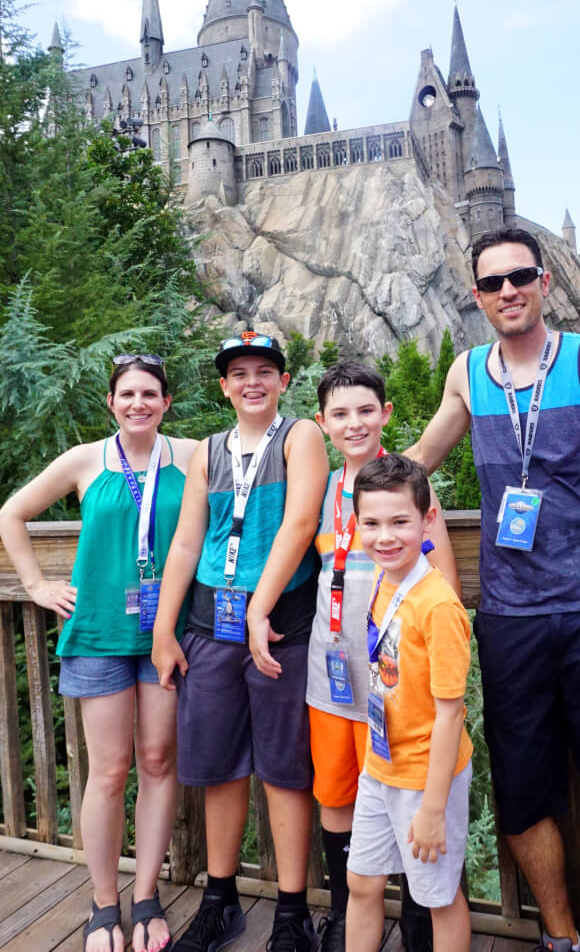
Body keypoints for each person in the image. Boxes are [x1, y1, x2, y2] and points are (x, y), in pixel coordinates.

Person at [406, 227, 580, 952]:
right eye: (492, 283)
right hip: (510, 613)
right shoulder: (467, 374)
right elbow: (418, 465)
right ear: (477, 296)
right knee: (524, 790)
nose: (508, 291)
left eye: (520, 276)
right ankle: (559, 934)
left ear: (545, 281)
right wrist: (340, 486)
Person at [0, 355, 198, 952]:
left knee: (159, 763)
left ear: (166, 402)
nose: (139, 403)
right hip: (98, 634)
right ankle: (103, 903)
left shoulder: (192, 457)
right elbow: (11, 513)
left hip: (167, 634)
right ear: (111, 403)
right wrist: (36, 585)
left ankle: (146, 897)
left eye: (150, 394)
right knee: (110, 772)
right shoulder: (87, 459)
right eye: (127, 394)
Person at [151, 331, 329, 952]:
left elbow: (302, 523)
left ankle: (290, 913)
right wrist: (163, 629)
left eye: (264, 371)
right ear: (224, 386)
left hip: (283, 624)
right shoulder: (207, 450)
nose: (252, 381)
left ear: (283, 381)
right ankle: (219, 899)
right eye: (239, 373)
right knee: (220, 766)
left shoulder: (300, 436)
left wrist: (260, 607)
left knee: (285, 768)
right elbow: (185, 542)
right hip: (211, 624)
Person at [309, 363, 461, 952]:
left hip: (403, 693)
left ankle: (420, 924)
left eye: (365, 410)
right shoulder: (320, 487)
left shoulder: (408, 487)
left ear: (387, 414)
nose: (354, 423)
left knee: (414, 811)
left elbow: (441, 582)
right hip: (333, 677)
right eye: (340, 414)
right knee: (341, 797)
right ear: (323, 423)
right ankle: (347, 921)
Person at [344, 453, 473, 952]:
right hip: (380, 767)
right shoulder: (386, 579)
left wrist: (434, 808)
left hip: (426, 778)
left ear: (428, 519)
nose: (385, 536)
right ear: (357, 525)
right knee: (362, 882)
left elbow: (450, 712)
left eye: (400, 521)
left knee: (438, 898)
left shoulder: (438, 606)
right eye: (372, 523)